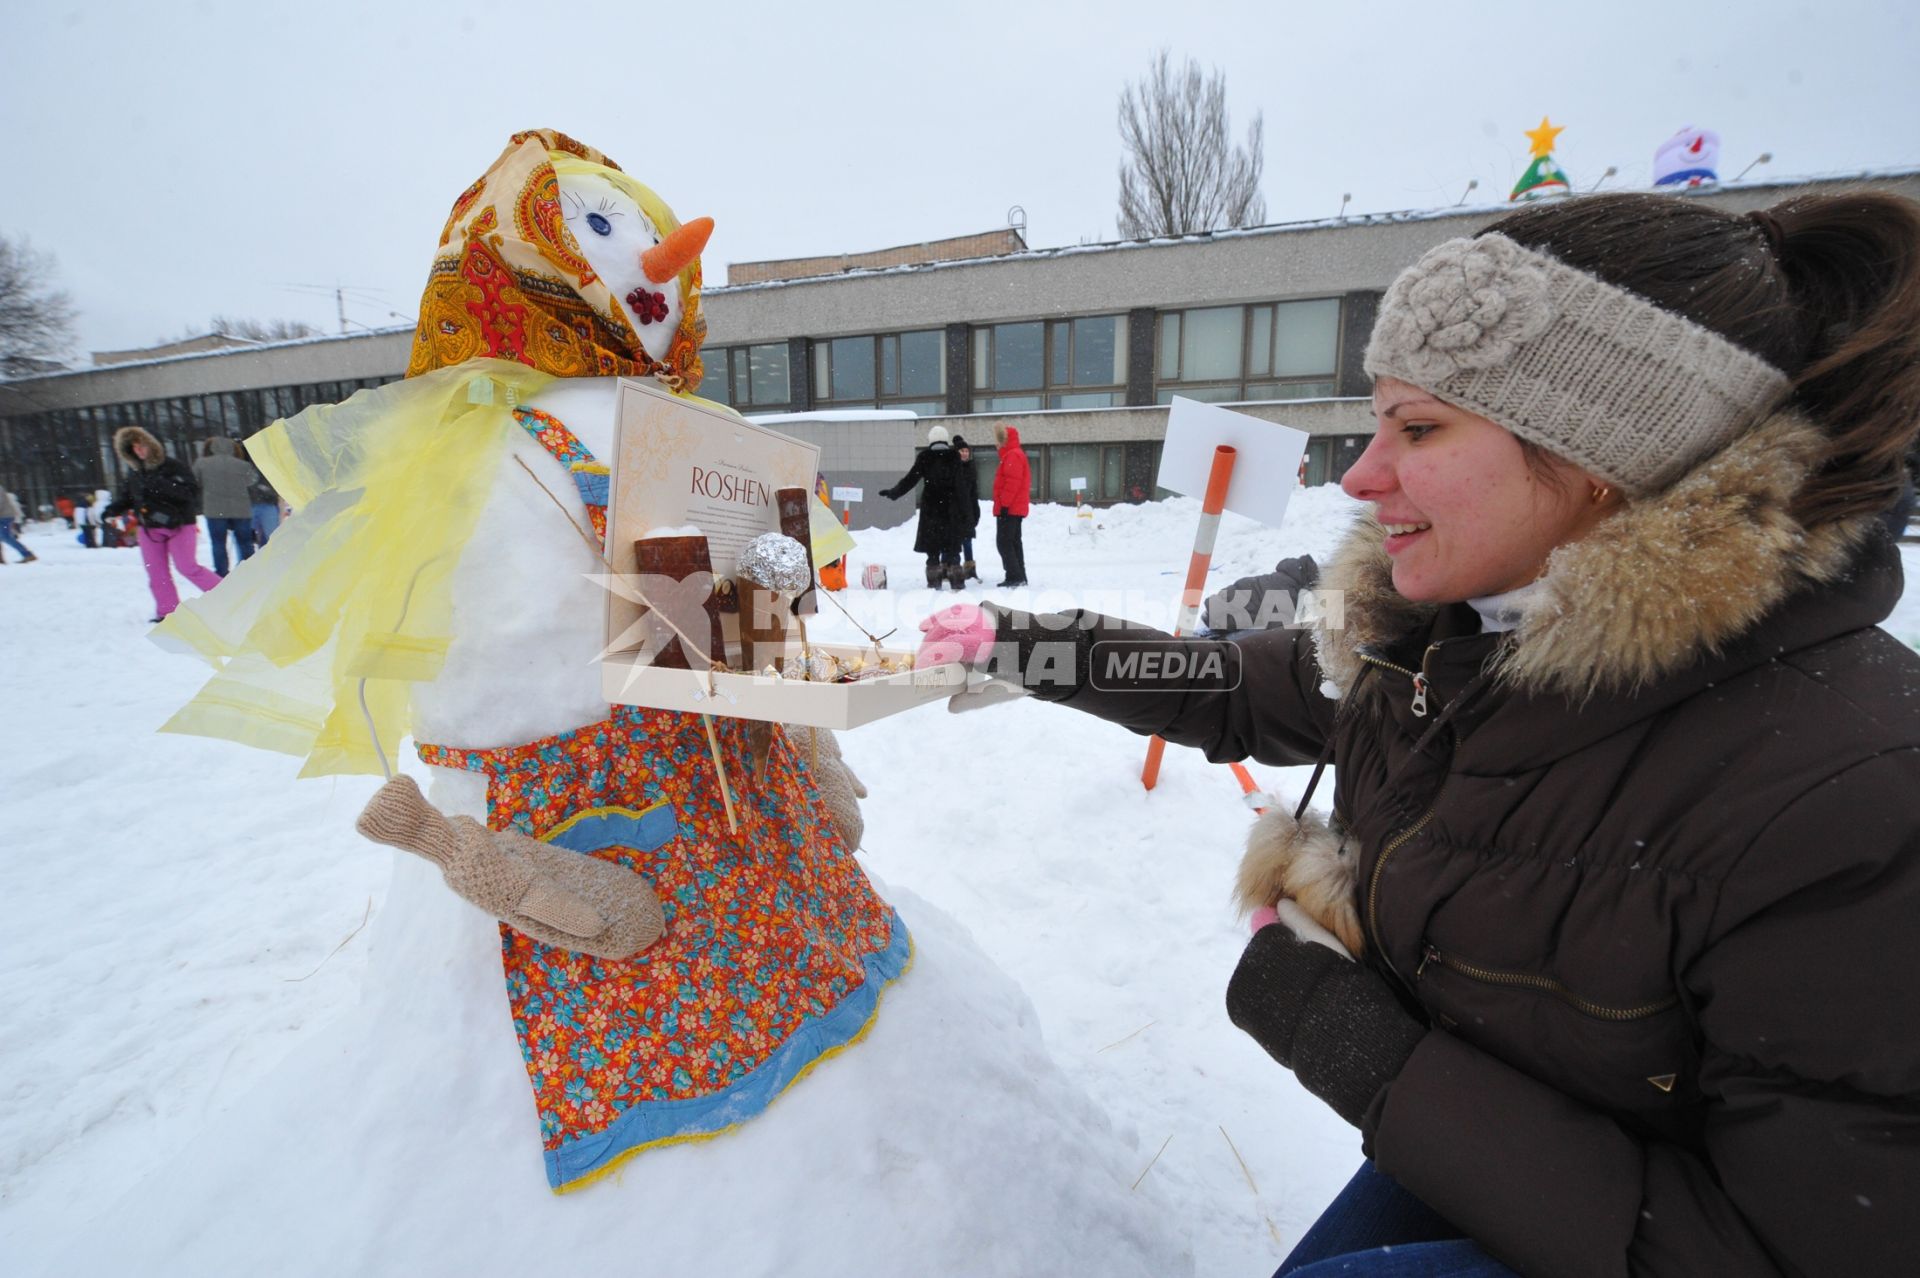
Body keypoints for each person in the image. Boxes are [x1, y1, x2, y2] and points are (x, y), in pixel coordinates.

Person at [917, 191, 1920, 1276]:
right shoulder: (1438, 638)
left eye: (1421, 428)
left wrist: (1366, 1053)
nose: (1359, 475)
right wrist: (1022, 644)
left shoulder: (1852, 800)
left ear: (1605, 458)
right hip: (1497, 1145)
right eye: (1377, 419)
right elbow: (1231, 686)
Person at [103, 426, 221, 621]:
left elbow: (190, 493)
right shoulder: (135, 473)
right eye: (134, 448)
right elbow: (128, 497)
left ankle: (230, 594)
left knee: (187, 567)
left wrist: (161, 484)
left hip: (180, 525)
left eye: (142, 446)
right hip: (149, 528)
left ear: (152, 445)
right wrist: (112, 510)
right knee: (156, 572)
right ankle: (168, 612)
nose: (139, 451)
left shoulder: (173, 466)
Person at [880, 423, 967, 590]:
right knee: (952, 547)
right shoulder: (954, 457)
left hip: (932, 508)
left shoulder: (925, 457)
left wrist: (894, 493)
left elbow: (910, 479)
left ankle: (934, 579)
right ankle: (957, 579)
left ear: (931, 439)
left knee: (933, 548)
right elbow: (961, 485)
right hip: (951, 508)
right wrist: (965, 511)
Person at [193, 436, 258, 574]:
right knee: (245, 543)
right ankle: (252, 572)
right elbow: (252, 480)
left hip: (214, 509)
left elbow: (195, 482)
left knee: (218, 544)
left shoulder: (202, 464)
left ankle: (222, 575)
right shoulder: (242, 465)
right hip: (240, 509)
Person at [990, 422, 1029, 587]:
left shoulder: (1012, 456)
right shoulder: (1014, 454)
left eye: (998, 441)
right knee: (1013, 542)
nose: (996, 444)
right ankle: (1019, 575)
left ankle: (1015, 576)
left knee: (1004, 542)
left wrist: (1004, 505)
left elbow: (1012, 483)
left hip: (1010, 508)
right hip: (1015, 508)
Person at [238, 441, 282, 548]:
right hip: (261, 503)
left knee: (249, 543)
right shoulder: (266, 460)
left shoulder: (266, 461)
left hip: (260, 503)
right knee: (272, 540)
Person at [952, 434, 982, 581]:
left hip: (968, 511)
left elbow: (973, 493)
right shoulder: (952, 469)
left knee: (967, 540)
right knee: (951, 541)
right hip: (954, 511)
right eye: (961, 451)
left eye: (966, 451)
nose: (964, 453)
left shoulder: (971, 467)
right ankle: (948, 568)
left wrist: (976, 512)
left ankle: (969, 569)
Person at [0, 487, 36, 562]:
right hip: (5, 515)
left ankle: (28, 555)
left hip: (4, 516)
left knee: (6, 537)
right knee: (5, 537)